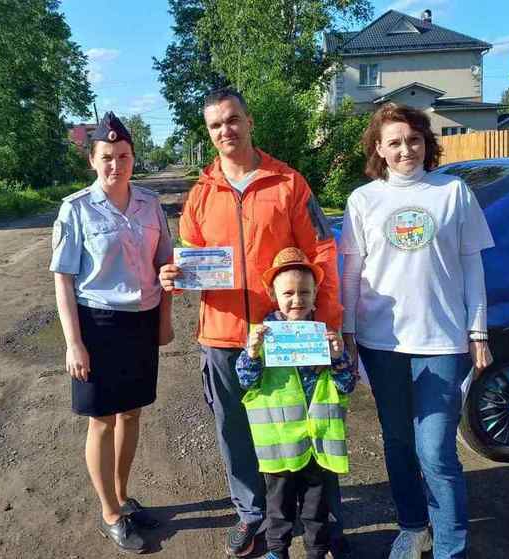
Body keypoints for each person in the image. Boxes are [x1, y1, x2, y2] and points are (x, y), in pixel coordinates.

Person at [159, 88, 345, 557]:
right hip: (222, 334)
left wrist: (327, 321)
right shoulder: (200, 194)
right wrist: (176, 277)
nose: (227, 130)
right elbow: (192, 260)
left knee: (302, 421)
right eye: (216, 125)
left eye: (233, 119)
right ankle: (252, 515)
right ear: (208, 133)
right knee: (234, 430)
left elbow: (322, 251)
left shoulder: (288, 183)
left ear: (249, 120)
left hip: (287, 335)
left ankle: (317, 519)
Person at [339, 103, 494, 559]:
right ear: (379, 150)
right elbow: (351, 272)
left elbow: (472, 264)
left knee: (437, 451)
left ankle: (449, 547)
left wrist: (478, 330)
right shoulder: (363, 200)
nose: (405, 149)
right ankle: (413, 526)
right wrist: (347, 332)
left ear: (426, 143)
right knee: (398, 441)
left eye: (413, 139)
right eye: (394, 142)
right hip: (380, 341)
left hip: (443, 341)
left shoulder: (453, 193)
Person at [50, 112, 174, 554]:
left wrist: (164, 317)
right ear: (93, 159)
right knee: (102, 420)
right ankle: (109, 513)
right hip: (98, 324)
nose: (115, 164)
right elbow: (63, 279)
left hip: (140, 321)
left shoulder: (150, 204)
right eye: (107, 157)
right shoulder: (76, 208)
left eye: (123, 156)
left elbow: (165, 266)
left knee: (133, 414)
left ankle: (123, 496)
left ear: (133, 158)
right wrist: (73, 342)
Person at [235, 247, 356, 559]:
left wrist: (338, 357)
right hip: (280, 448)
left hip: (319, 447)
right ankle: (277, 552)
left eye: (304, 292)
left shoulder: (325, 337)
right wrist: (252, 353)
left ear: (315, 294)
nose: (297, 300)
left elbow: (346, 385)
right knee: (279, 509)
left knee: (317, 510)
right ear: (274, 295)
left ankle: (316, 552)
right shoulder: (260, 337)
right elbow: (246, 381)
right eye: (288, 292)